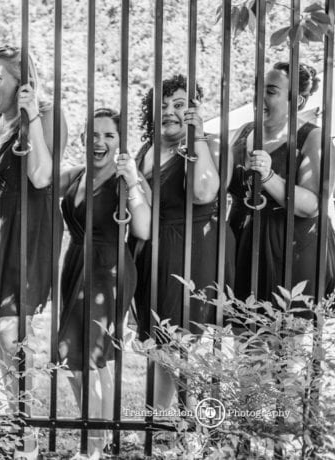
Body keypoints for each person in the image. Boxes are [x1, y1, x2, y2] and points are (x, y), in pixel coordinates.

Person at [0, 45, 66, 458]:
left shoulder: (48, 114)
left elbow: (42, 176)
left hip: (28, 233)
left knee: (11, 333)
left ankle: (24, 438)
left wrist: (31, 119)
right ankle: (11, 425)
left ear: (21, 81)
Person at [133, 74, 231, 412]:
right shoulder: (146, 149)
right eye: (161, 106)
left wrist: (196, 136)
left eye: (179, 105)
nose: (169, 112)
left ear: (194, 109)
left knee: (182, 347)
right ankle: (158, 422)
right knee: (160, 348)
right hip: (153, 254)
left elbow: (204, 192)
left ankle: (194, 422)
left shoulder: (208, 146)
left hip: (191, 253)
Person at [58, 109, 150, 458]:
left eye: (109, 135)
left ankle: (93, 446)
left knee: (85, 357)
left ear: (121, 142)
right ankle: (103, 433)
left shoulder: (126, 179)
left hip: (108, 269)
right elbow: (38, 179)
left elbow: (143, 229)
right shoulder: (77, 174)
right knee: (83, 358)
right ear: (84, 138)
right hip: (76, 266)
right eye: (93, 134)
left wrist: (134, 182)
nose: (100, 142)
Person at [228, 62, 335, 315]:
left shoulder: (314, 138)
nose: (259, 97)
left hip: (290, 249)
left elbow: (313, 205)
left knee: (287, 332)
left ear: (297, 101)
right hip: (243, 245)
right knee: (242, 328)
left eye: (271, 91)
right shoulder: (244, 132)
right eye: (258, 89)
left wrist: (269, 176)